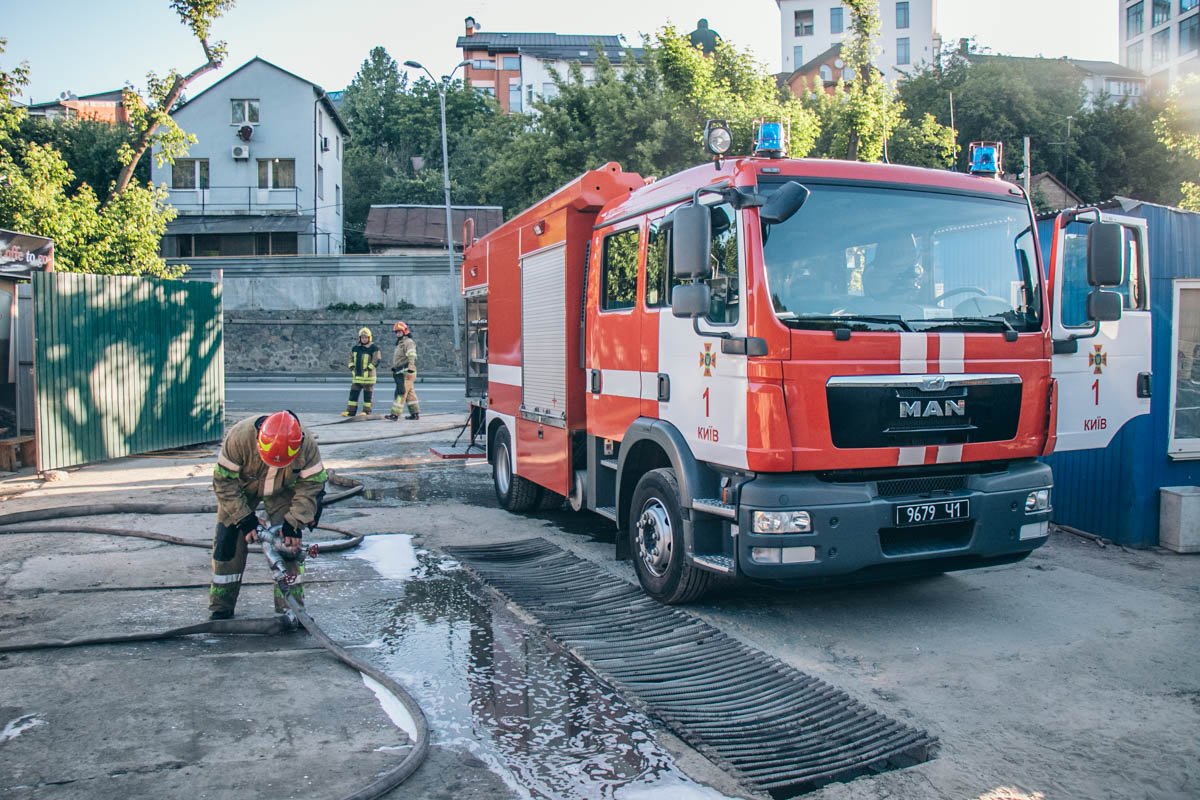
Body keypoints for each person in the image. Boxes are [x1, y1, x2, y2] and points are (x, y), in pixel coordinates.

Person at [209, 410, 326, 620]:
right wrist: (245, 518)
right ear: (258, 440)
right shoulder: (239, 437)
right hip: (242, 487)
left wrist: (295, 522)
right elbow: (224, 482)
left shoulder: (307, 446)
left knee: (288, 548)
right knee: (227, 545)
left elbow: (312, 485)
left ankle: (292, 610)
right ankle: (221, 607)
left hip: (284, 490)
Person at [343, 326, 381, 416]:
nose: (364, 339)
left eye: (366, 337)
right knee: (353, 395)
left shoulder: (373, 348)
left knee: (367, 396)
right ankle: (350, 412)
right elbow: (350, 358)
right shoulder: (355, 348)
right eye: (362, 337)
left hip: (368, 377)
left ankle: (366, 412)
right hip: (357, 377)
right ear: (360, 338)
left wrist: (369, 368)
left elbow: (377, 359)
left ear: (369, 338)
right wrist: (351, 367)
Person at [386, 320, 420, 421]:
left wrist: (410, 367)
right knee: (410, 394)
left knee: (401, 392)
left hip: (406, 371)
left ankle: (395, 415)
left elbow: (412, 355)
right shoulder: (401, 343)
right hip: (402, 371)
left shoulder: (408, 342)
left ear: (405, 331)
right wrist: (395, 367)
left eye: (399, 331)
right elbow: (400, 358)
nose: (398, 333)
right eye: (396, 332)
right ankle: (415, 414)